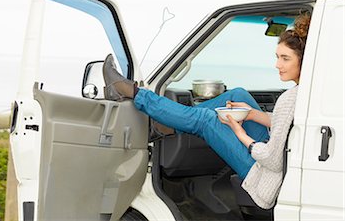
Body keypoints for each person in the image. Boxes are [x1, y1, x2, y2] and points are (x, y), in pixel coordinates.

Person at [102, 13, 311, 210]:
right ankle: (169, 124)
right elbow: (292, 123)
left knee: (206, 119)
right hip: (281, 157)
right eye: (277, 57)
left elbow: (272, 161)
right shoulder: (308, 91)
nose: (277, 65)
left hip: (266, 177)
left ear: (304, 60)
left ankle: (135, 93)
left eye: (285, 58)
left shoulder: (290, 98)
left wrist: (242, 135)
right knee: (237, 95)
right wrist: (252, 114)